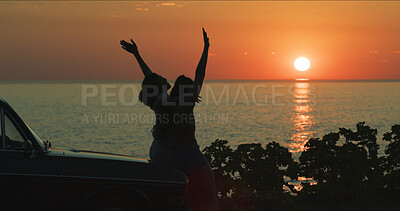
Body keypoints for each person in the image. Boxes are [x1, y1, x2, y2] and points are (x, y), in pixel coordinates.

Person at [168, 28, 219, 210]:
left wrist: (137, 55)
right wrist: (206, 49)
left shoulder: (167, 104)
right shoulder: (186, 102)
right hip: (190, 153)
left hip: (172, 155)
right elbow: (200, 75)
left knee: (188, 199)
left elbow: (149, 78)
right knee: (210, 194)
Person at [120, 38, 172, 165]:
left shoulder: (159, 96)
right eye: (160, 77)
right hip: (164, 151)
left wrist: (136, 54)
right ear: (158, 84)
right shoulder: (162, 98)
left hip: (159, 148)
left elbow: (148, 75)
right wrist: (188, 96)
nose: (163, 77)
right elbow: (150, 78)